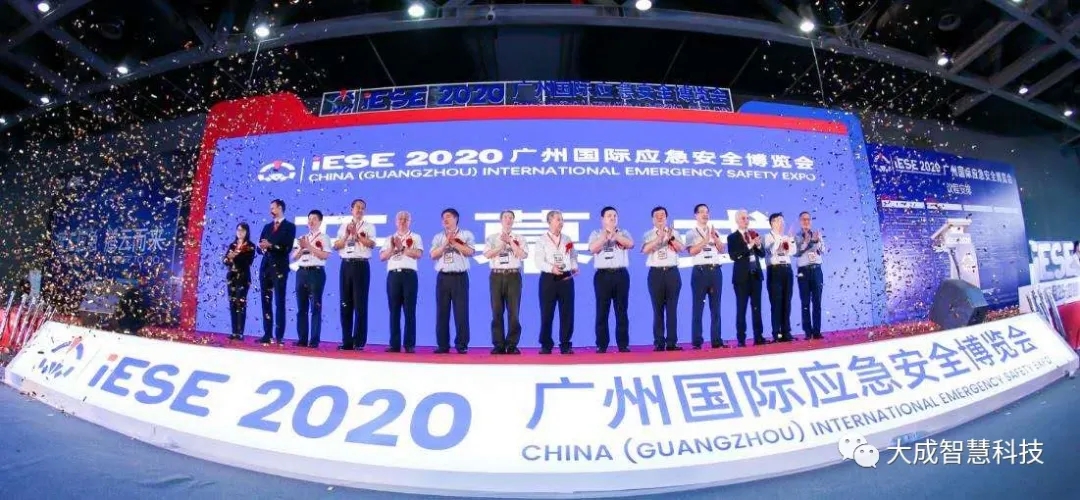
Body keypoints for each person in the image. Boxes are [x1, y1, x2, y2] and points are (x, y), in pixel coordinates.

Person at [588, 206, 634, 353]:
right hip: (603, 276)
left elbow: (630, 244)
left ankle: (623, 344)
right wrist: (604, 237)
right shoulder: (596, 234)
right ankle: (602, 344)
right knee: (602, 311)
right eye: (609, 216)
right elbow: (592, 249)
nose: (613, 218)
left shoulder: (623, 232)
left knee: (622, 310)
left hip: (621, 274)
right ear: (602, 219)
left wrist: (615, 235)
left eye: (615, 216)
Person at [430, 208, 476, 354]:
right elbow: (433, 255)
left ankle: (461, 344)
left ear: (456, 218)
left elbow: (470, 252)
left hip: (459, 277)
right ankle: (443, 345)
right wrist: (445, 244)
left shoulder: (466, 234)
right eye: (443, 217)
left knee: (461, 312)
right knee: (442, 312)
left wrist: (454, 243)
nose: (445, 219)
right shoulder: (438, 237)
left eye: (448, 216)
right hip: (443, 277)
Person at [334, 199, 376, 351]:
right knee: (345, 303)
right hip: (346, 265)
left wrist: (356, 236)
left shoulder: (369, 226)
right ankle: (346, 341)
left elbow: (372, 244)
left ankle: (359, 341)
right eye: (357, 207)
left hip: (361, 265)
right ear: (351, 209)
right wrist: (346, 235)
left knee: (360, 304)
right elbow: (336, 246)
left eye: (362, 208)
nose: (360, 210)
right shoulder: (343, 226)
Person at [534, 210, 578, 354]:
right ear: (550, 221)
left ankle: (565, 344)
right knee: (547, 312)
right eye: (558, 219)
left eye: (562, 219)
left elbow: (573, 256)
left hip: (566, 277)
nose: (561, 222)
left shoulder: (567, 239)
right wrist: (551, 268)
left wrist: (574, 266)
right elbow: (538, 261)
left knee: (567, 312)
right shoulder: (542, 240)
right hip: (549, 278)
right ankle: (546, 344)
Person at [483, 210, 528, 355]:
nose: (508, 220)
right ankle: (498, 344)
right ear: (501, 220)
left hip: (513, 275)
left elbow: (523, 255)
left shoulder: (519, 238)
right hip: (496, 275)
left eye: (511, 218)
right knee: (497, 311)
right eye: (505, 217)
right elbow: (487, 254)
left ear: (513, 221)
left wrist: (510, 242)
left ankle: (512, 344)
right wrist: (501, 246)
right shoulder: (492, 238)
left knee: (513, 312)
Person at [684, 203, 726, 349]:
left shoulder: (714, 231)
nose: (705, 214)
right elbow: (691, 251)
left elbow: (722, 249)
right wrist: (705, 240)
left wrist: (715, 238)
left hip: (715, 271)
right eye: (701, 212)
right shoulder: (691, 233)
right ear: (695, 215)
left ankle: (716, 340)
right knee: (698, 308)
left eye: (707, 212)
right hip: (700, 272)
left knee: (716, 308)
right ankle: (697, 341)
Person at [642, 206, 684, 351]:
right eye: (657, 215)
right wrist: (659, 239)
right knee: (657, 309)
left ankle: (672, 342)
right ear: (652, 219)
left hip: (672, 273)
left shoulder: (674, 233)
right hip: (656, 273)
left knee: (672, 309)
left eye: (663, 215)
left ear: (666, 218)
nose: (660, 217)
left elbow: (681, 248)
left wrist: (670, 237)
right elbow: (645, 250)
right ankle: (659, 342)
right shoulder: (648, 234)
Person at [381, 211, 423, 353]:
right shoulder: (389, 238)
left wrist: (402, 248)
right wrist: (393, 248)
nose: (403, 221)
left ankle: (409, 344)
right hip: (394, 275)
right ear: (395, 221)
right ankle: (394, 344)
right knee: (394, 310)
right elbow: (382, 257)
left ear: (410, 221)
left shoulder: (415, 237)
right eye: (400, 219)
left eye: (406, 219)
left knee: (409, 310)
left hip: (409, 275)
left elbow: (418, 254)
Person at [258, 199, 297, 346]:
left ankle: (279, 336)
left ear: (280, 208)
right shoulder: (267, 227)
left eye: (273, 208)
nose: (271, 211)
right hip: (266, 267)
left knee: (280, 301)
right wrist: (262, 248)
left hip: (280, 267)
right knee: (265, 301)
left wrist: (271, 245)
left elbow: (287, 248)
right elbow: (260, 246)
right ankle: (267, 334)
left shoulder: (290, 227)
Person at [292, 210, 332, 348]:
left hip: (316, 272)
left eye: (314, 219)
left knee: (315, 306)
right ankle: (302, 339)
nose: (311, 221)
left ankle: (314, 340)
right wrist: (301, 248)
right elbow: (293, 257)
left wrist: (309, 246)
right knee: (301, 307)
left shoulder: (324, 237)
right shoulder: (302, 238)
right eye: (309, 219)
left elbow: (325, 255)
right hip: (301, 272)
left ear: (320, 222)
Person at [727, 209, 766, 347]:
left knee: (757, 308)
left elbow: (762, 254)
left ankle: (758, 336)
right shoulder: (732, 237)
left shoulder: (753, 234)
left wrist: (758, 244)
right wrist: (750, 245)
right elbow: (734, 256)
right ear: (737, 220)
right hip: (741, 278)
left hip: (756, 275)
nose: (746, 220)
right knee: (741, 308)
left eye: (747, 218)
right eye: (743, 218)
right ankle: (741, 339)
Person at [763, 213, 795, 343]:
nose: (782, 224)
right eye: (778, 221)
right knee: (776, 303)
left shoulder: (785, 237)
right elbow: (771, 250)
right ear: (772, 223)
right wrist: (778, 237)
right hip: (774, 270)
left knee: (787, 302)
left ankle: (786, 332)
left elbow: (792, 252)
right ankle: (777, 333)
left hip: (787, 269)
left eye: (783, 221)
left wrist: (790, 239)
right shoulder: (767, 237)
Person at [795, 211, 826, 340]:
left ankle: (817, 331)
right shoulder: (796, 236)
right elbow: (796, 253)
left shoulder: (817, 233)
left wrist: (818, 242)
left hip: (817, 270)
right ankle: (808, 332)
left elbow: (823, 250)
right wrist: (807, 242)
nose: (806, 222)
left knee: (817, 302)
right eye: (804, 219)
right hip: (803, 271)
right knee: (805, 302)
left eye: (808, 219)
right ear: (800, 221)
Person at [224, 222, 255, 340]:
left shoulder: (250, 246)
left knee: (240, 304)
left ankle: (240, 332)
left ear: (247, 232)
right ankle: (234, 332)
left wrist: (234, 257)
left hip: (243, 277)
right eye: (238, 230)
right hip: (231, 277)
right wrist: (228, 259)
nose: (240, 232)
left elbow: (248, 262)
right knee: (232, 303)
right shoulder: (232, 245)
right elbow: (225, 260)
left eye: (242, 230)